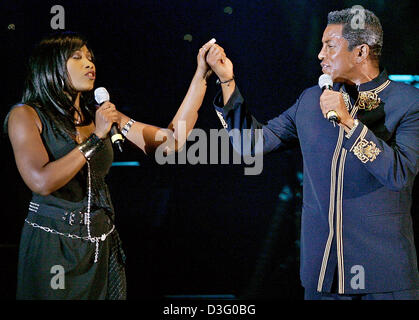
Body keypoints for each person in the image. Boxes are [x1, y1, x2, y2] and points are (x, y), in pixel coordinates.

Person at [205, 8, 419, 299]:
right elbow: (250, 144)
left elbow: (399, 175)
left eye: (330, 46)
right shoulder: (310, 101)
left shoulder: (407, 102)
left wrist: (349, 123)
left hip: (384, 279)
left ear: (361, 52)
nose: (320, 54)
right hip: (323, 276)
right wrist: (227, 81)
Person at [5, 31, 215, 300]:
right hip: (53, 245)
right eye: (77, 58)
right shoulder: (26, 115)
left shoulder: (102, 116)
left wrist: (201, 76)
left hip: (100, 245)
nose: (89, 64)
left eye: (90, 58)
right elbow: (41, 181)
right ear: (51, 67)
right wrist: (96, 138)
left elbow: (171, 141)